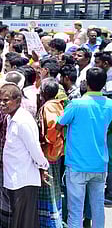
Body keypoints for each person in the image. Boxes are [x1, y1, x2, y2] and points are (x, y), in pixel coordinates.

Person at [57, 67, 112, 228]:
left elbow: (59, 125)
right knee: (97, 207)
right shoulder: (109, 105)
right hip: (100, 164)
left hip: (77, 164)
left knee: (75, 210)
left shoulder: (76, 104)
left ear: (86, 83)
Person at [0, 83, 49, 228]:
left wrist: (43, 166)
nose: (2, 103)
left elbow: (34, 149)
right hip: (15, 178)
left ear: (17, 100)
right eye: (1, 100)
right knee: (20, 220)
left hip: (24, 179)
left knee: (24, 221)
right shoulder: (10, 118)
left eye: (6, 100)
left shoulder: (23, 121)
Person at [36, 77, 64, 228]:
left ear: (45, 92)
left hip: (50, 153)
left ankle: (51, 223)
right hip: (54, 152)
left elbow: (54, 126)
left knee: (50, 190)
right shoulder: (55, 104)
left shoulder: (49, 107)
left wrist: (47, 140)